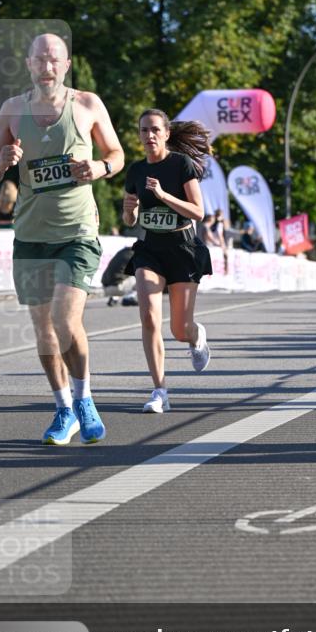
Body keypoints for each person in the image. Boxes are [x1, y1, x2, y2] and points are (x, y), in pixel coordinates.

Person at [0, 32, 125, 445]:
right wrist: (2, 162)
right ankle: (63, 408)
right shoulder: (11, 111)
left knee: (66, 320)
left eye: (54, 60)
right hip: (29, 235)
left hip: (77, 231)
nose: (47, 66)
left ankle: (85, 400)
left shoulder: (87, 105)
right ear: (28, 65)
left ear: (66, 65)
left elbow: (116, 155)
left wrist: (99, 169)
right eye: (39, 59)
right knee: (44, 330)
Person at [122, 108, 213, 414]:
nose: (149, 136)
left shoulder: (180, 165)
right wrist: (130, 211)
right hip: (151, 249)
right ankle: (160, 391)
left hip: (183, 248)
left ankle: (196, 335)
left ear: (166, 134)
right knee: (148, 316)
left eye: (155, 130)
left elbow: (198, 212)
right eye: (144, 130)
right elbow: (131, 218)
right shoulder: (135, 171)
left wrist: (163, 196)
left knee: (178, 329)